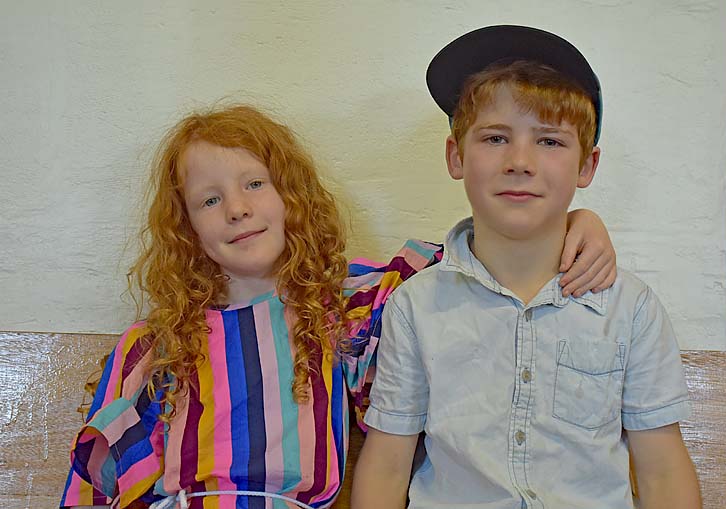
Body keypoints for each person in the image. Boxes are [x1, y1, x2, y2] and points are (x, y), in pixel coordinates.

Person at [59, 103, 615, 509]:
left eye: (255, 184)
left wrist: (572, 221)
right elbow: (96, 483)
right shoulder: (156, 344)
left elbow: (465, 262)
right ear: (186, 227)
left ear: (291, 198)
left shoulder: (339, 311)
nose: (236, 209)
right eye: (209, 199)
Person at [352, 25, 701, 509]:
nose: (520, 161)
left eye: (550, 142)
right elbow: (387, 465)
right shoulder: (416, 306)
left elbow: (662, 471)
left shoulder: (630, 309)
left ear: (587, 166)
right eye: (495, 137)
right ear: (456, 156)